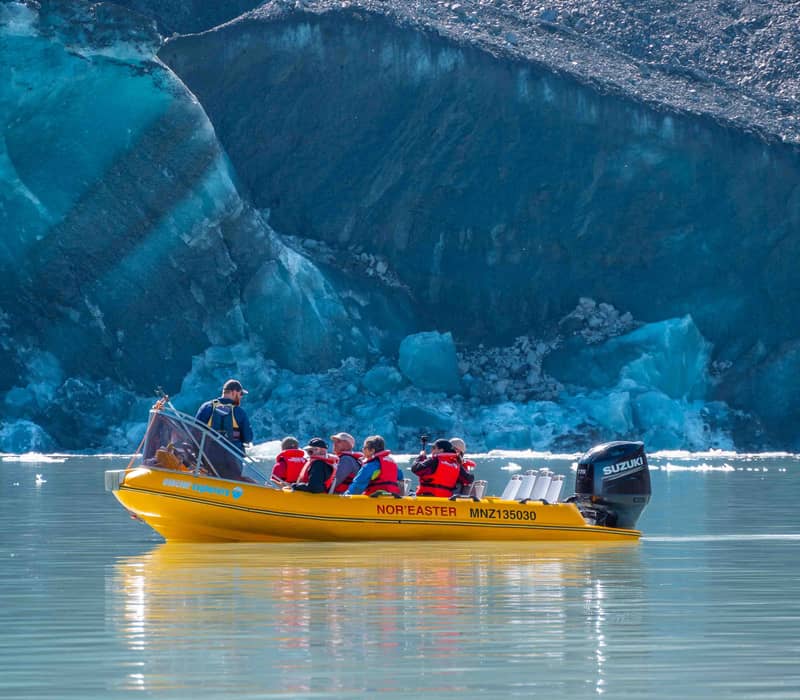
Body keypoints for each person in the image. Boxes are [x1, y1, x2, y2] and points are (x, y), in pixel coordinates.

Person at [195, 379, 253, 480]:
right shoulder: (239, 412)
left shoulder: (207, 407)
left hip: (208, 458)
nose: (241, 397)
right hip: (232, 461)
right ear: (234, 392)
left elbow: (195, 431)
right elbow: (248, 437)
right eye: (240, 394)